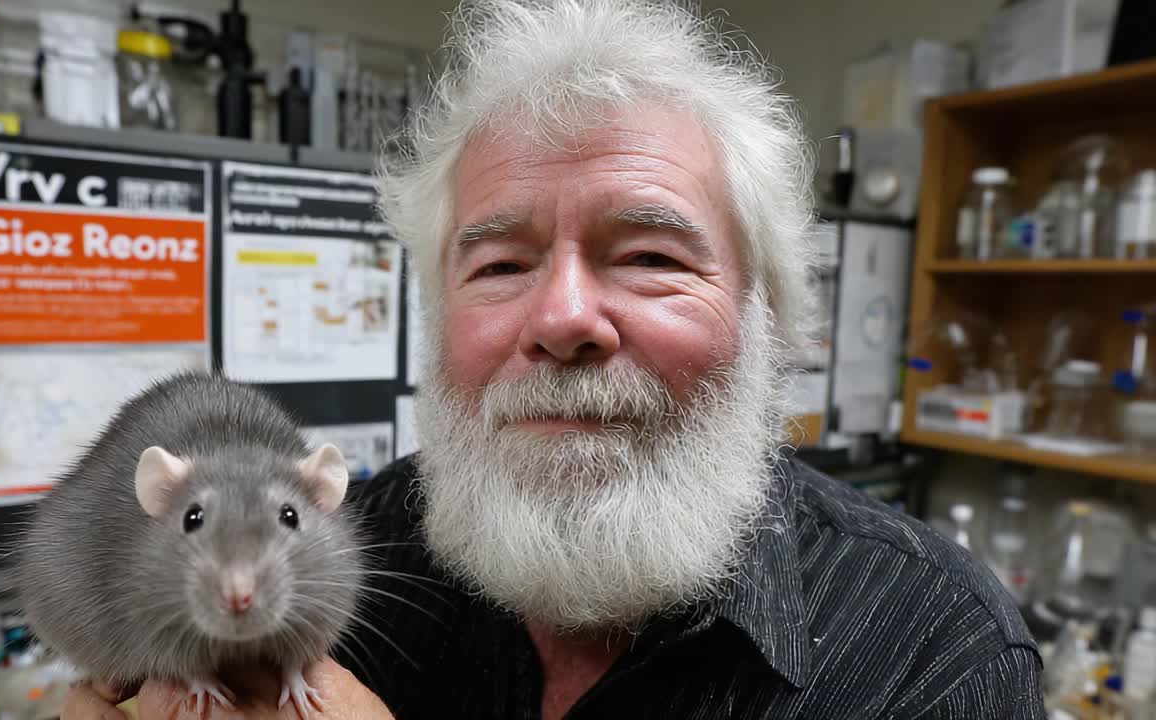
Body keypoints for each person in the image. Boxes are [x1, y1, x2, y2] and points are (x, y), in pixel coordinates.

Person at [65, 0, 1045, 718]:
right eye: (497, 263)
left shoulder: (934, 651)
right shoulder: (337, 553)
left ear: (766, 315)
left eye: (651, 256)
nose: (562, 317)